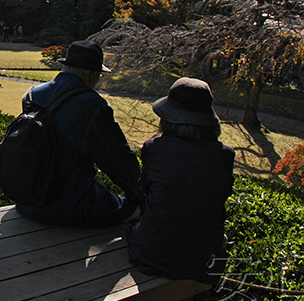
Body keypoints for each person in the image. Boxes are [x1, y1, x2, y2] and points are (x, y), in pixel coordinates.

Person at [13, 40, 143, 227]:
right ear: (92, 76)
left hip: (26, 200)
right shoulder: (93, 105)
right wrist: (141, 194)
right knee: (134, 211)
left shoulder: (32, 95)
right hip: (69, 205)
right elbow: (118, 160)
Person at [127, 77, 235, 285]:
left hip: (153, 254)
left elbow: (147, 193)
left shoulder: (154, 149)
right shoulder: (224, 156)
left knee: (134, 225)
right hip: (204, 260)